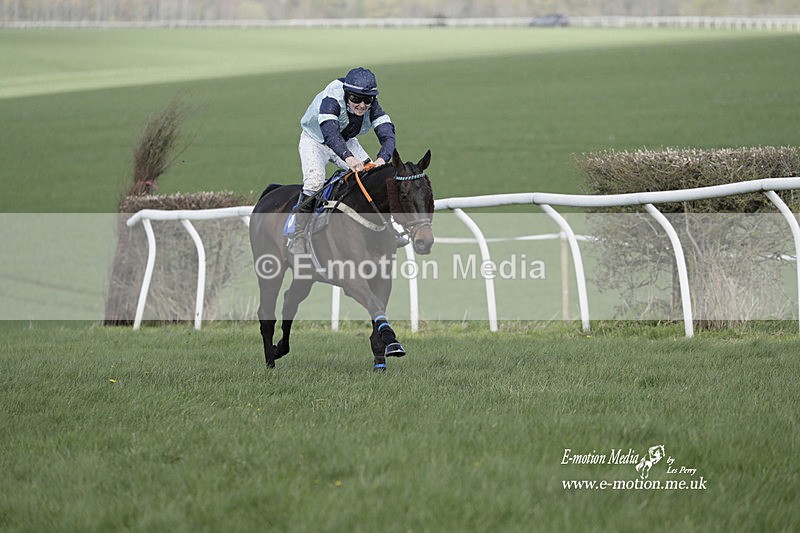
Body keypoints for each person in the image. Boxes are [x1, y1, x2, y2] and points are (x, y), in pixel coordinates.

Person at [288, 67, 396, 255]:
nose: (362, 105)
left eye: (367, 100)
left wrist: (382, 159)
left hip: (344, 140)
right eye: (356, 99)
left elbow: (388, 135)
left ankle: (385, 228)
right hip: (315, 140)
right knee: (314, 182)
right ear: (347, 94)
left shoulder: (372, 104)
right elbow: (330, 134)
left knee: (372, 177)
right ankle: (299, 235)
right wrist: (349, 158)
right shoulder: (332, 97)